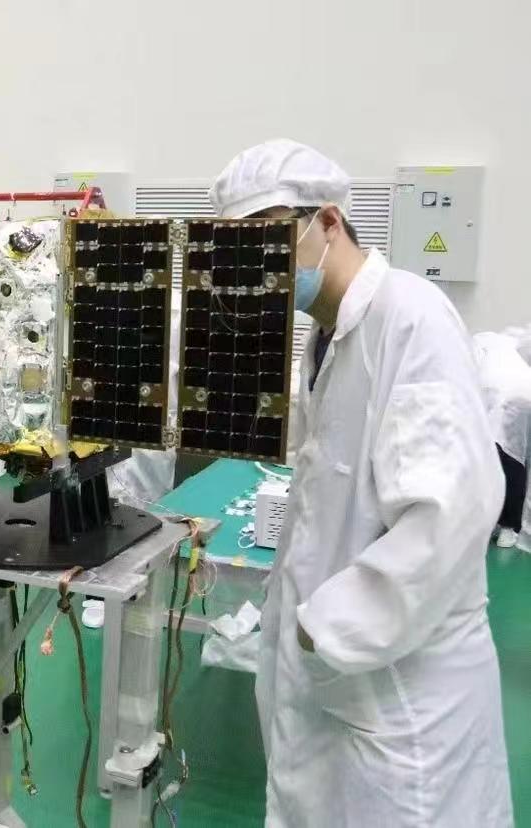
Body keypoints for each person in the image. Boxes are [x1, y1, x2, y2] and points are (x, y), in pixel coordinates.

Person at [210, 138, 512, 827]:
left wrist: (326, 627)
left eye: (268, 242)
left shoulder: (411, 317)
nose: (256, 270)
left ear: (328, 222)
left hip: (404, 695)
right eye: (241, 253)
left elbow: (451, 514)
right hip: (339, 684)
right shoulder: (325, 336)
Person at [474, 331, 531, 548]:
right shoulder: (508, 345)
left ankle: (506, 524)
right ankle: (505, 525)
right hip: (513, 399)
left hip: (506, 400)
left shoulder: (486, 343)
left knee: (507, 460)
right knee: (512, 459)